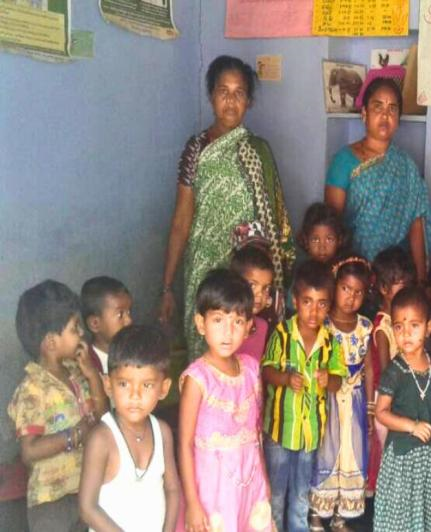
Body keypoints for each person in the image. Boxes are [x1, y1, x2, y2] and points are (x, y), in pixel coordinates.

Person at [159, 55, 294, 360]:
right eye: (223, 91)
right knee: (205, 345)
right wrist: (167, 287)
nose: (230, 101)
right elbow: (181, 219)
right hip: (203, 266)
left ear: (249, 101)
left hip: (247, 275)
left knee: (245, 351)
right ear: (211, 96)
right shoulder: (197, 148)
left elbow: (275, 217)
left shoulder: (258, 151)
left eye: (239, 93)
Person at [7, 280, 108, 532]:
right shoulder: (32, 389)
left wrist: (93, 376)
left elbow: (104, 416)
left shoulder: (78, 372)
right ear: (51, 342)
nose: (82, 334)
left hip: (89, 490)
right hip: (51, 503)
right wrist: (75, 434)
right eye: (75, 328)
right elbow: (29, 451)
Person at [177, 269, 273, 532]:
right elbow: (184, 444)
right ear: (200, 324)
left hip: (249, 483)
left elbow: (255, 434)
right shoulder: (198, 379)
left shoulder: (252, 369)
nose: (228, 332)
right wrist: (193, 504)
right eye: (218, 320)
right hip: (212, 491)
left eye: (238, 322)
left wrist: (263, 481)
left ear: (249, 326)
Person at [324, 77, 431, 282]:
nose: (385, 115)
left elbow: (416, 226)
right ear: (364, 114)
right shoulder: (343, 161)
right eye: (378, 107)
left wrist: (421, 282)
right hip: (352, 273)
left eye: (392, 109)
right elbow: (331, 225)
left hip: (394, 275)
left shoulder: (406, 166)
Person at [262, 260, 346, 532]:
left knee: (300, 494)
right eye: (308, 301)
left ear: (329, 306)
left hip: (310, 433)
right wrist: (285, 379)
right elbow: (266, 371)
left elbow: (338, 380)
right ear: (295, 301)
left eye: (322, 304)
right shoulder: (282, 334)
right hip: (279, 430)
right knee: (276, 493)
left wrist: (328, 379)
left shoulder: (330, 341)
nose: (314, 310)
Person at [78, 325, 180, 532]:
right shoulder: (102, 439)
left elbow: (172, 489)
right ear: (108, 385)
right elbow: (87, 508)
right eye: (124, 384)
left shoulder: (162, 433)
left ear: (164, 388)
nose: (135, 395)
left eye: (147, 385)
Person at [374, 286, 431, 532]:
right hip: (402, 457)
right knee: (399, 513)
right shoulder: (394, 371)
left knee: (423, 510)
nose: (405, 333)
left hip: (427, 455)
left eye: (414, 326)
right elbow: (381, 412)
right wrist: (411, 426)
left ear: (428, 327)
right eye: (398, 327)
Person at [309, 257, 373, 529]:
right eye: (346, 288)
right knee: (325, 453)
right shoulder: (322, 325)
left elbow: (369, 368)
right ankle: (316, 512)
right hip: (329, 401)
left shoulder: (365, 327)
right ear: (335, 287)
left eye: (358, 292)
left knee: (350, 453)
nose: (351, 297)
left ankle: (340, 514)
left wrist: (370, 406)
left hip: (355, 402)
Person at [366, 245, 417, 494]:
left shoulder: (400, 321)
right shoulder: (383, 326)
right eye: (400, 285)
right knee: (392, 455)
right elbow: (386, 369)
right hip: (389, 399)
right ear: (384, 289)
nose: (406, 291)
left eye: (408, 285)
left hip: (401, 396)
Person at [230, 230, 277, 361]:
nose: (259, 295)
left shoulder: (262, 326)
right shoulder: (225, 325)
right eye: (252, 285)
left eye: (266, 288)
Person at [80, 276, 134, 374]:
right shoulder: (86, 366)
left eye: (129, 312)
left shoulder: (135, 353)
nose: (129, 320)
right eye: (120, 314)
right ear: (95, 324)